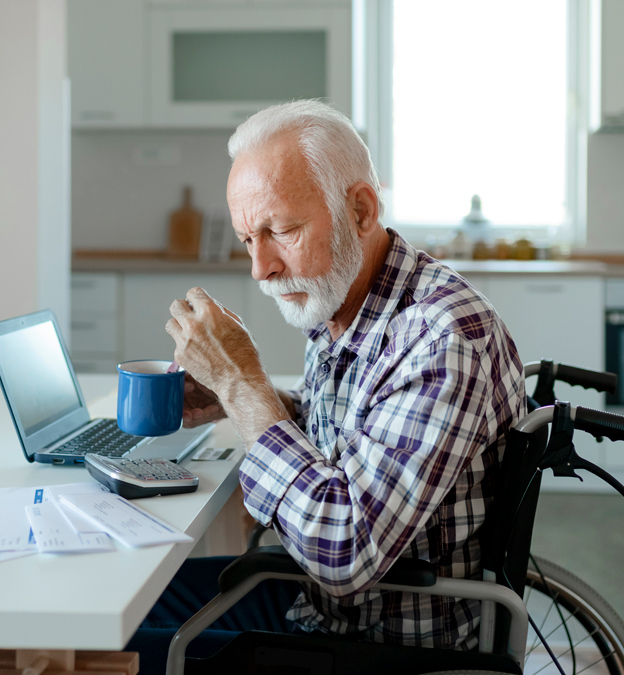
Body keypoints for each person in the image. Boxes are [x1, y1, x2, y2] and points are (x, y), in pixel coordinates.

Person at [125, 100, 526, 673]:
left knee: (125, 642)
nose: (261, 267)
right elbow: (353, 430)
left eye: (281, 231)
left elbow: (344, 548)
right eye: (247, 240)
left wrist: (244, 386)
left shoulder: (441, 338)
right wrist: (236, 398)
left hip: (378, 643)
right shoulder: (346, 299)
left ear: (360, 209)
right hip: (322, 606)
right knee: (136, 591)